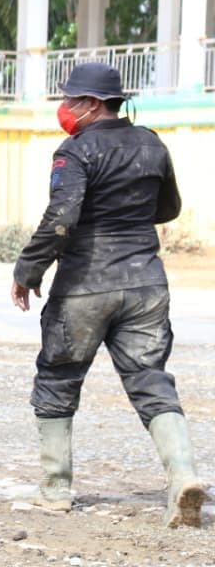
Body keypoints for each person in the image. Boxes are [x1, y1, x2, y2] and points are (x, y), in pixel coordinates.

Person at [11, 62, 205, 527]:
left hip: (84, 285)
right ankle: (183, 477)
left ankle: (56, 489)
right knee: (151, 380)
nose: (64, 108)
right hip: (145, 283)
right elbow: (169, 207)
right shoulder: (152, 144)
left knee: (58, 379)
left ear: (93, 104)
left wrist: (28, 268)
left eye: (71, 100)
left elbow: (63, 215)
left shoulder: (75, 151)